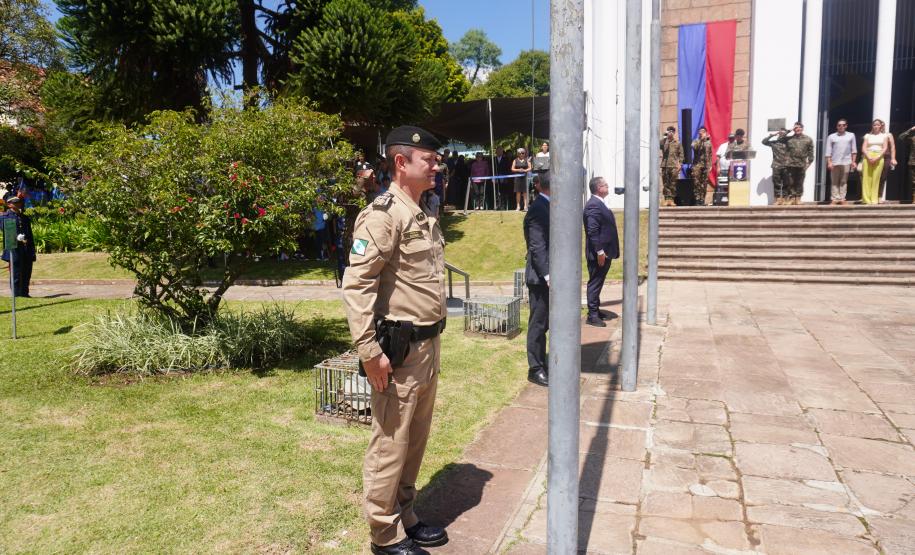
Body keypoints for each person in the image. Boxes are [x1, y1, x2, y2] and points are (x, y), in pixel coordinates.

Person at [341, 125, 449, 555]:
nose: (437, 165)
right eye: (430, 159)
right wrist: (369, 352)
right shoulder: (383, 214)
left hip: (427, 347)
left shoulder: (420, 211)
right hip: (398, 353)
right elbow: (357, 287)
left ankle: (406, 514)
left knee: (414, 438)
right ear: (402, 162)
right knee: (390, 441)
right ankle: (383, 534)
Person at [524, 173, 550, 387]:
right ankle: (536, 368)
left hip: (549, 276)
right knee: (538, 324)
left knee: (547, 322)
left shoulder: (547, 205)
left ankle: (543, 360)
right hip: (540, 278)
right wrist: (548, 275)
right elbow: (537, 246)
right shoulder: (538, 209)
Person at [582, 177, 620, 327]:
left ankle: (595, 310)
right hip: (599, 254)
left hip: (604, 252)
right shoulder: (593, 206)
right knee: (595, 283)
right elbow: (592, 231)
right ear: (598, 188)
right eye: (605, 184)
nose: (608, 186)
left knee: (598, 281)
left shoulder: (599, 203)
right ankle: (592, 315)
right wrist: (600, 252)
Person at [1, 195, 35, 297]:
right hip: (14, 248)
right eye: (15, 203)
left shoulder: (24, 218)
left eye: (19, 202)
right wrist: (16, 236)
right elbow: (6, 230)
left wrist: (31, 249)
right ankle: (16, 294)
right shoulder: (4, 217)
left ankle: (25, 293)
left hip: (25, 248)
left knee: (26, 271)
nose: (18, 204)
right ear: (9, 204)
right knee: (15, 272)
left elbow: (30, 234)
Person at [825, 119, 858, 205]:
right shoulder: (831, 136)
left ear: (846, 126)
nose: (841, 126)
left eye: (843, 125)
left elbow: (854, 150)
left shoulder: (851, 135)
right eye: (839, 125)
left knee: (843, 181)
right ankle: (834, 199)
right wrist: (829, 162)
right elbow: (828, 151)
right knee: (834, 181)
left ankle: (842, 198)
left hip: (846, 161)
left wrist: (853, 162)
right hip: (834, 162)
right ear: (837, 126)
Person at [781, 122, 815, 205]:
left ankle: (798, 198)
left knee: (800, 182)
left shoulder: (808, 139)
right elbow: (781, 137)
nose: (798, 129)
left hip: (801, 164)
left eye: (799, 127)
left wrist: (809, 163)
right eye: (796, 128)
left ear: (802, 128)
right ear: (794, 129)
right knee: (790, 182)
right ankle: (792, 198)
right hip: (790, 164)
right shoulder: (789, 139)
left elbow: (811, 152)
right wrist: (790, 130)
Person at [861, 119, 889, 205]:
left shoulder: (884, 136)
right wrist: (869, 157)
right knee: (866, 178)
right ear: (872, 126)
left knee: (876, 179)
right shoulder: (867, 136)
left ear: (881, 126)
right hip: (868, 156)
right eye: (874, 125)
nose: (876, 126)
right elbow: (864, 148)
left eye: (877, 125)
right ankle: (866, 199)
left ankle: (874, 199)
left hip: (879, 157)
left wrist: (877, 157)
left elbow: (884, 148)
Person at [762, 128, 790, 204]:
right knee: (776, 183)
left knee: (786, 183)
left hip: (786, 166)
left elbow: (792, 136)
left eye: (783, 133)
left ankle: (784, 199)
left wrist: (788, 130)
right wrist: (772, 135)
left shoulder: (788, 142)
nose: (782, 135)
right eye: (780, 133)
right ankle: (777, 199)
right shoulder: (774, 143)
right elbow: (764, 142)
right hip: (776, 166)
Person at [660, 126, 684, 206]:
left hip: (673, 166)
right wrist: (665, 138)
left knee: (673, 183)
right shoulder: (664, 142)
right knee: (665, 183)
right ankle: (666, 199)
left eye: (671, 131)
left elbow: (681, 154)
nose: (669, 133)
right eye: (668, 131)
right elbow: (659, 145)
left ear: (674, 133)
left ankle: (672, 200)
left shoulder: (677, 143)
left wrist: (680, 164)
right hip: (665, 165)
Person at [690, 127, 713, 206]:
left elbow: (710, 154)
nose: (701, 133)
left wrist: (710, 165)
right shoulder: (696, 141)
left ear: (706, 133)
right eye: (700, 132)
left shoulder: (708, 142)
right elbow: (694, 147)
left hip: (706, 165)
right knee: (697, 182)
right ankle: (697, 199)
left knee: (704, 183)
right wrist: (701, 140)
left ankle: (702, 199)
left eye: (703, 132)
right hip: (697, 165)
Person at [878, 120, 897, 202]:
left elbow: (892, 147)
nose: (882, 127)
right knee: (874, 177)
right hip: (875, 156)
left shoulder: (888, 135)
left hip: (886, 156)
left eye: (883, 125)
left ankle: (879, 196)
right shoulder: (873, 135)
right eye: (880, 125)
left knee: (883, 177)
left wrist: (893, 158)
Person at [899, 125, 915, 202]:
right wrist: (911, 129)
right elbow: (901, 137)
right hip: (913, 162)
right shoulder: (913, 137)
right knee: (913, 182)